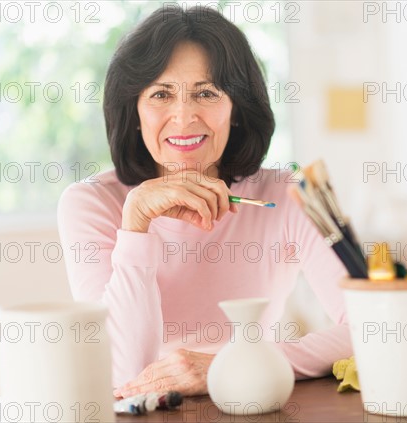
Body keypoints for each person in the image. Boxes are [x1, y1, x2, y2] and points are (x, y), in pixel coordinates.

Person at [57, 5, 352, 398]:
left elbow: (373, 330)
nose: (183, 117)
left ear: (237, 110)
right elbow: (125, 374)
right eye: (161, 94)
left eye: (206, 93)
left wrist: (233, 366)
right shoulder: (91, 204)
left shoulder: (289, 195)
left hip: (253, 404)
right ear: (135, 110)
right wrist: (137, 223)